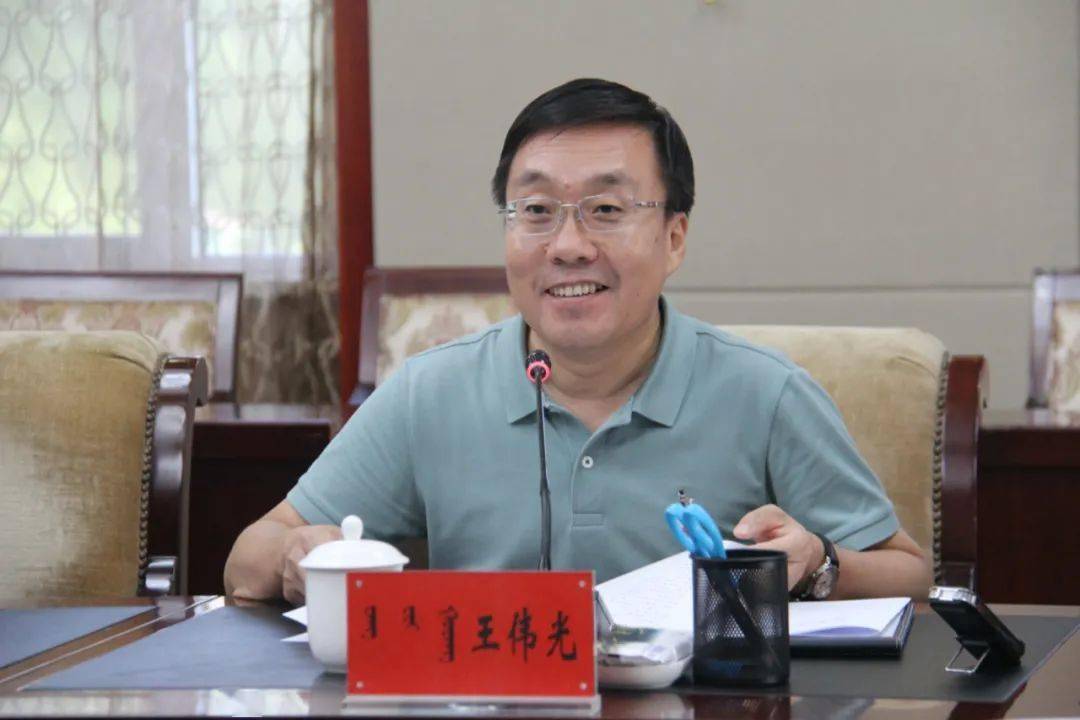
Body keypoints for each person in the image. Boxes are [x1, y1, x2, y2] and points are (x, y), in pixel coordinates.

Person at [224, 78, 931, 606]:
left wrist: (819, 564)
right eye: (536, 210)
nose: (567, 245)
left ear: (674, 237)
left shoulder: (765, 394)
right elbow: (246, 558)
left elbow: (909, 574)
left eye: (606, 209)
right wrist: (296, 555)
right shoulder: (429, 392)